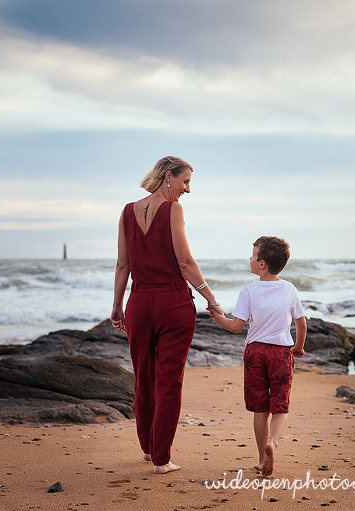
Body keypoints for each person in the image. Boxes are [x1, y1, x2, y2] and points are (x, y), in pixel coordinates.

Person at [111, 156, 222, 474]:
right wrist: (211, 299)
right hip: (172, 303)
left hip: (139, 303)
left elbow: (122, 265)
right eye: (185, 182)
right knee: (169, 382)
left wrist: (118, 306)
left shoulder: (127, 212)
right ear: (168, 177)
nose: (188, 190)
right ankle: (161, 460)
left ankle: (148, 448)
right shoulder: (173, 210)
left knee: (143, 379)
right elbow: (185, 261)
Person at [208, 236, 307, 477]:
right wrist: (298, 348)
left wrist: (216, 316)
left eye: (253, 256)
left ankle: (262, 459)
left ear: (261, 264)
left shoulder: (249, 291)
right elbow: (301, 323)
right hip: (282, 352)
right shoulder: (289, 289)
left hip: (255, 352)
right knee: (280, 405)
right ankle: (273, 441)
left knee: (259, 408)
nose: (250, 259)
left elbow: (235, 326)